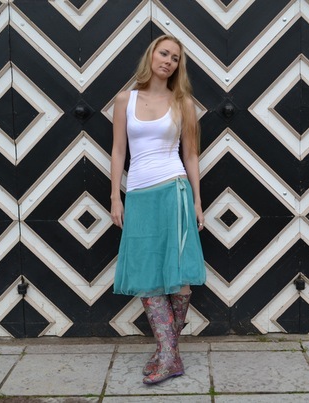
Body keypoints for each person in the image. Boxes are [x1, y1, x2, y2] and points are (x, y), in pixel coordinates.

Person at [110, 35, 206, 385]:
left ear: (179, 66)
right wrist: (115, 197)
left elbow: (191, 154)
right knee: (146, 272)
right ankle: (170, 353)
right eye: (164, 53)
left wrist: (197, 200)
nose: (168, 60)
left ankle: (167, 355)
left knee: (178, 273)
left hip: (174, 191)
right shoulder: (125, 99)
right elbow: (119, 151)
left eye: (175, 58)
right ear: (151, 56)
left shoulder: (183, 102)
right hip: (138, 194)